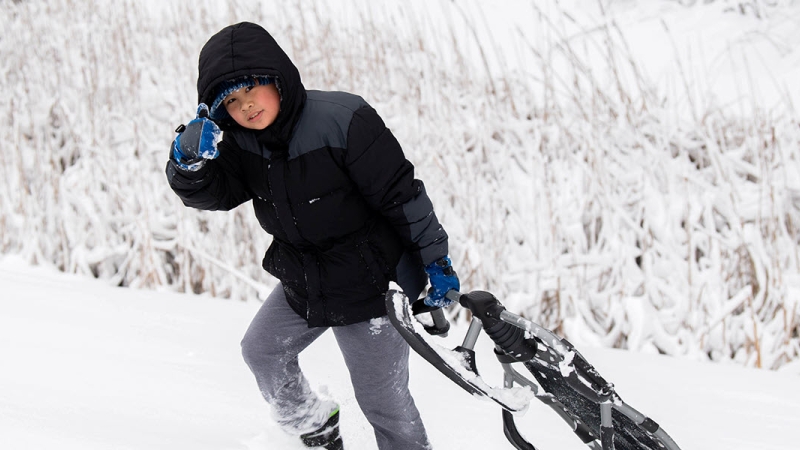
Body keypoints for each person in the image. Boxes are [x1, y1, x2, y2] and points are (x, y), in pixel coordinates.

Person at [165, 22, 460, 450]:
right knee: (261, 352)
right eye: (231, 100)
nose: (245, 107)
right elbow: (213, 194)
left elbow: (402, 195)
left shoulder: (344, 120)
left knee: (382, 401)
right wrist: (187, 163)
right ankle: (313, 425)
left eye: (252, 90)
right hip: (304, 276)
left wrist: (435, 262)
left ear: (278, 79)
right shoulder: (240, 144)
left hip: (370, 283)